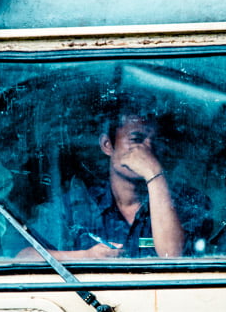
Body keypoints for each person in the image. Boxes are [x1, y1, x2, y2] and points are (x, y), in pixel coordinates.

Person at [16, 108, 212, 260]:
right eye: (137, 139)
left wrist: (154, 175)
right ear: (107, 145)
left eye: (156, 142)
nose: (147, 150)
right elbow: (24, 258)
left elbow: (173, 256)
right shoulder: (77, 206)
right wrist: (84, 257)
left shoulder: (187, 202)